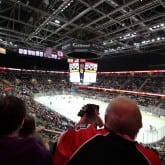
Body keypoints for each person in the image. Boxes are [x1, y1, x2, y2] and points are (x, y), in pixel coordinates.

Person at [66, 96, 161, 165]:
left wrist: (89, 115)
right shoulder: (151, 159)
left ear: (106, 118)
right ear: (140, 126)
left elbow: (71, 135)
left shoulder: (85, 137)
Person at [0, 95, 53, 165]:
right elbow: (47, 158)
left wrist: (35, 130)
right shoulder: (32, 149)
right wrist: (46, 146)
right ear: (22, 122)